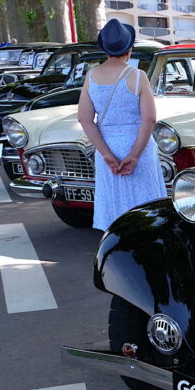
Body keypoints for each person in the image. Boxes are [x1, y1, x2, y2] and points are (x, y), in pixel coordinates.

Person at [77, 19, 166, 231]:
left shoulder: (92, 76)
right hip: (139, 146)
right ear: (130, 48)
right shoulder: (137, 76)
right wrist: (134, 155)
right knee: (145, 206)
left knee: (114, 206)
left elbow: (85, 119)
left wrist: (106, 153)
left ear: (104, 49)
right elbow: (149, 119)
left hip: (107, 146)